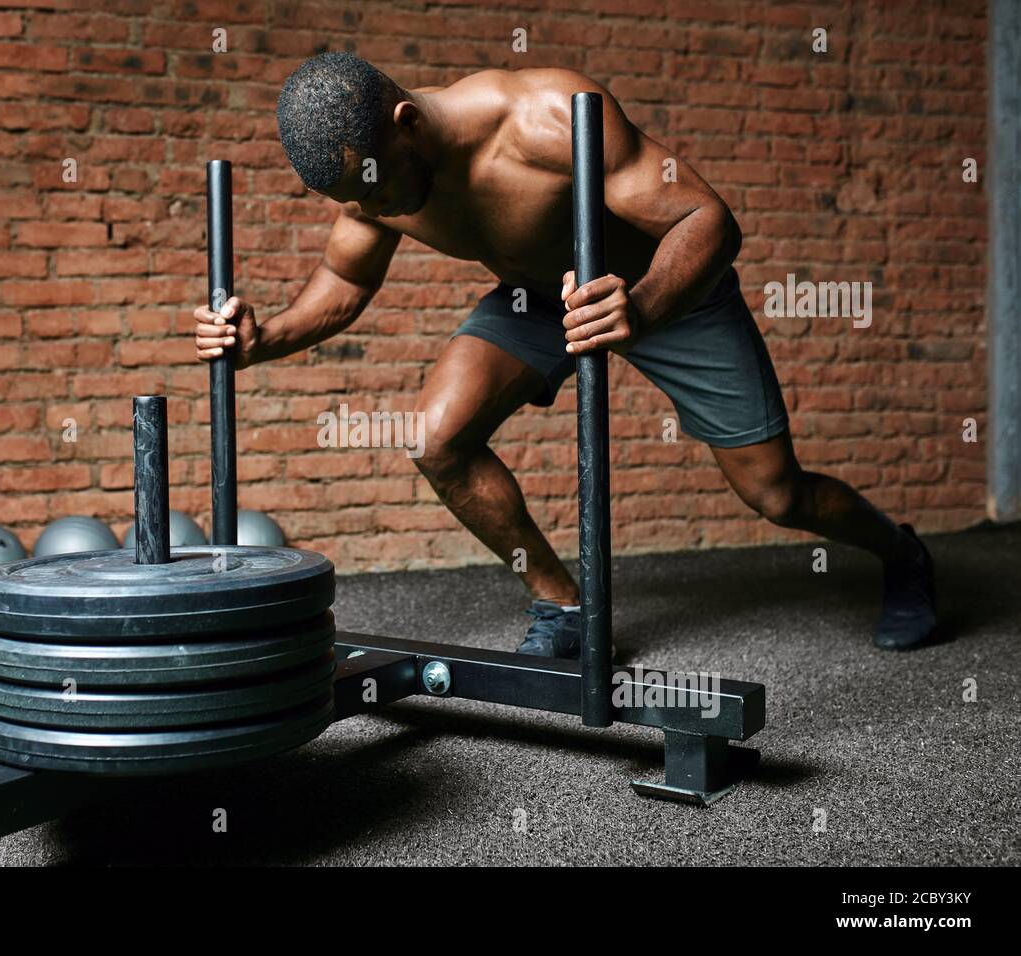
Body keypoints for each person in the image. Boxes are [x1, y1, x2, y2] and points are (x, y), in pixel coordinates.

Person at [193, 53, 938, 657]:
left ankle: (900, 553)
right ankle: (562, 603)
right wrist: (266, 339)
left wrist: (640, 307)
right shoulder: (366, 180)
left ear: (406, 122)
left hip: (666, 290)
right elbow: (347, 278)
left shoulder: (545, 117)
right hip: (536, 298)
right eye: (359, 201)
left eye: (378, 189)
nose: (377, 211)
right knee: (437, 437)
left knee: (778, 496)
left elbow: (705, 218)